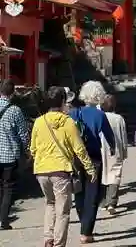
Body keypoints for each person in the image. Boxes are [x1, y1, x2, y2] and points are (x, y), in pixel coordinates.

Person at [30, 86, 96, 247]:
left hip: (41, 171)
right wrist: (90, 168)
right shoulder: (68, 122)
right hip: (60, 170)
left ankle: (48, 238)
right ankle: (59, 244)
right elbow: (79, 149)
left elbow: (33, 148)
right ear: (63, 101)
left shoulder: (39, 121)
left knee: (50, 203)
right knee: (63, 211)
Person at [70, 80, 116, 244]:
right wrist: (113, 149)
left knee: (79, 191)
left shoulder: (74, 113)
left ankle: (83, 220)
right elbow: (109, 136)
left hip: (77, 156)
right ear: (99, 96)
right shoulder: (100, 115)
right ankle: (86, 231)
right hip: (94, 156)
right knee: (92, 193)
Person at [0, 79, 29, 230]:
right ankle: (4, 221)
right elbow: (23, 134)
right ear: (12, 94)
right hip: (9, 156)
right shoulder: (15, 110)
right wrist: (27, 150)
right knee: (8, 188)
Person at [101, 95, 128, 213]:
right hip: (115, 149)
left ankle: (103, 201)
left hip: (101, 149)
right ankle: (111, 202)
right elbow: (123, 135)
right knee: (115, 175)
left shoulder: (100, 116)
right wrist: (124, 151)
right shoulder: (119, 118)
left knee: (103, 174)